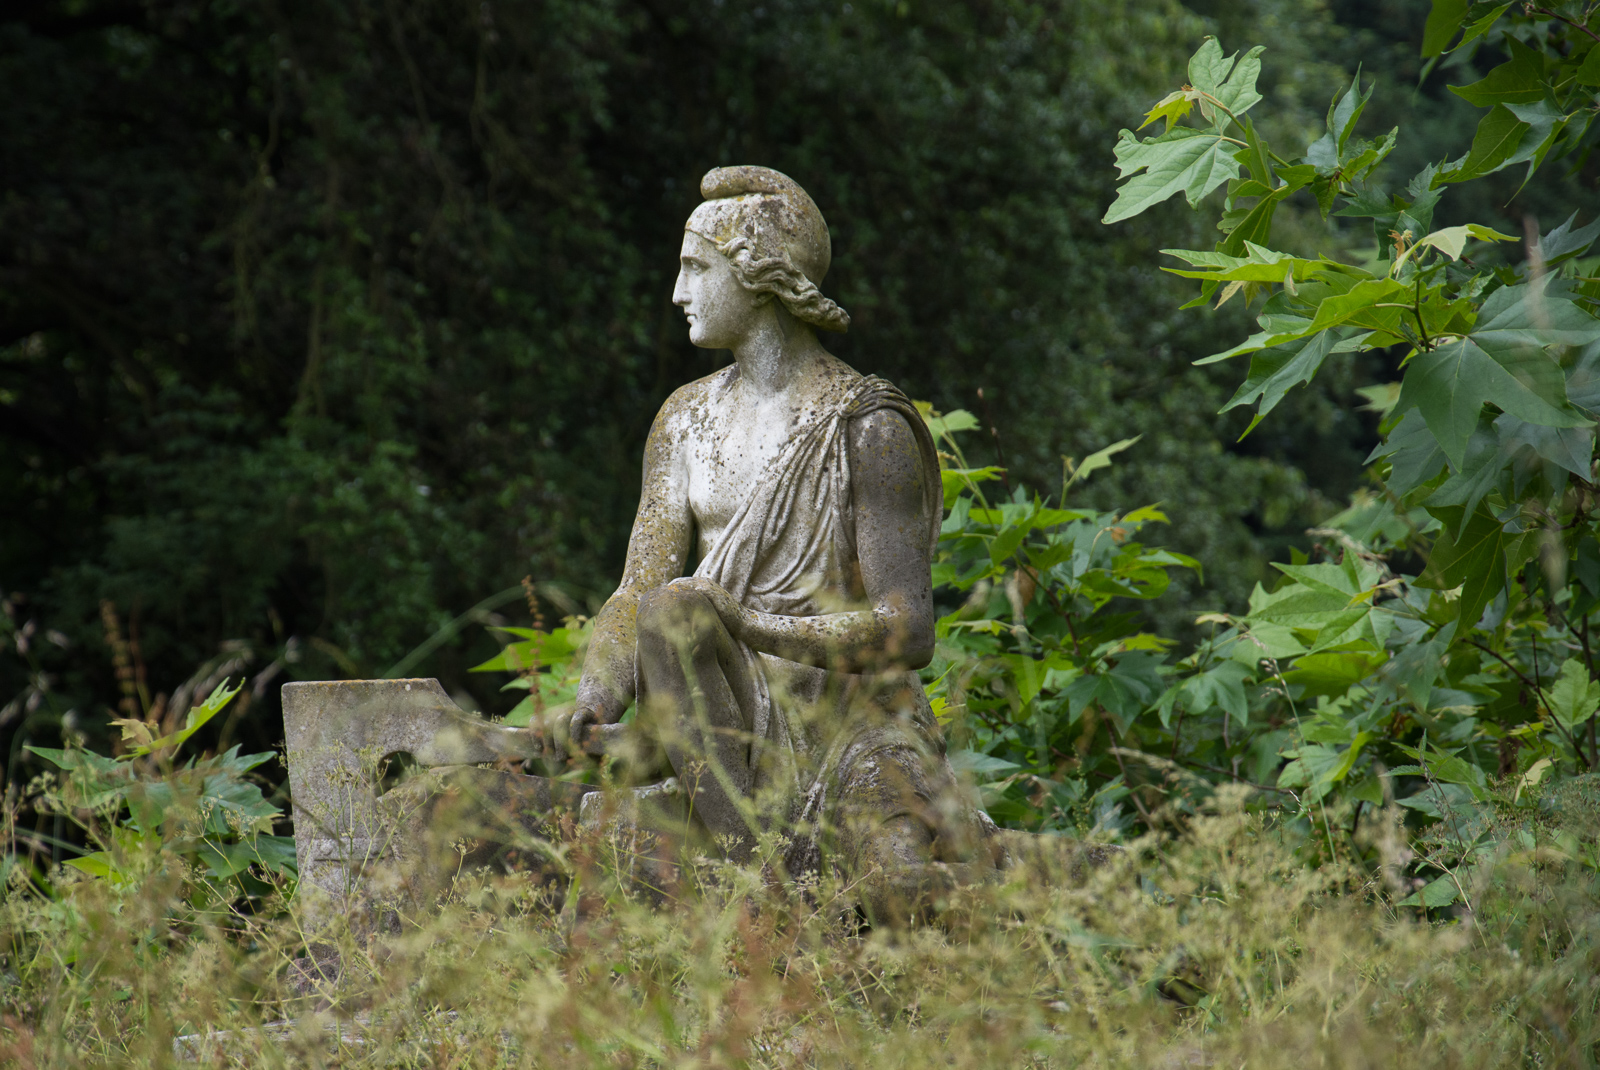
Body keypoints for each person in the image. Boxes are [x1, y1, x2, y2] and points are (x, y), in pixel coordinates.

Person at [560, 166, 995, 903]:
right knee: (671, 611)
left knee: (895, 887)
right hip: (722, 717)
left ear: (759, 277)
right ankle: (765, 888)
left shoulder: (865, 424)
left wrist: (749, 623)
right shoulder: (684, 420)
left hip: (851, 721)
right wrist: (597, 696)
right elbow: (637, 592)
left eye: (697, 268)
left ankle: (998, 873)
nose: (678, 292)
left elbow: (908, 629)